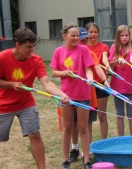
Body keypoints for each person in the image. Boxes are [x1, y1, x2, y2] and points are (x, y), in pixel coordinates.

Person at [0, 27, 70, 169]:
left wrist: (62, 95)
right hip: (3, 105)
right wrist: (12, 84)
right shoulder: (0, 58)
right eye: (28, 47)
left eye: (33, 46)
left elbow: (46, 82)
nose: (32, 50)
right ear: (17, 45)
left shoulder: (36, 61)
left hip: (26, 103)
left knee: (35, 135)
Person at [50, 23, 94, 169]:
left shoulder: (83, 50)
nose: (76, 38)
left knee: (83, 127)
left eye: (77, 36)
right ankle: (65, 160)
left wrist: (89, 78)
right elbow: (54, 72)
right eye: (73, 35)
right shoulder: (58, 51)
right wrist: (64, 73)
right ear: (65, 36)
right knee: (67, 127)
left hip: (82, 94)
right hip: (66, 95)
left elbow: (88, 69)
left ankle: (86, 159)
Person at [69, 27, 109, 162]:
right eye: (82, 39)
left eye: (86, 39)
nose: (84, 41)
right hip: (71, 93)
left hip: (87, 93)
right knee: (73, 123)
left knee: (87, 123)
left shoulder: (89, 52)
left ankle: (86, 150)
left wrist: (104, 80)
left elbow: (96, 67)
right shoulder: (67, 53)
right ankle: (74, 148)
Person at [108, 25, 132, 136]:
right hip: (117, 87)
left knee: (131, 114)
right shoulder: (113, 48)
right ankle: (121, 138)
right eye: (122, 35)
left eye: (127, 35)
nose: (125, 37)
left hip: (130, 87)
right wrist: (117, 60)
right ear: (118, 36)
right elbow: (110, 65)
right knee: (119, 114)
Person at [85, 22, 110, 139]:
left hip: (101, 83)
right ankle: (88, 146)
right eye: (90, 32)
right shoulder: (83, 48)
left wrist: (107, 64)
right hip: (88, 85)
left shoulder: (103, 47)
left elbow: (104, 58)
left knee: (102, 115)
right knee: (88, 117)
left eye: (95, 32)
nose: (93, 34)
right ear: (86, 33)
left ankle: (103, 142)